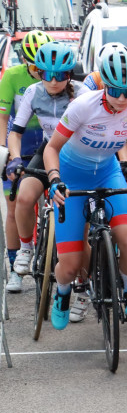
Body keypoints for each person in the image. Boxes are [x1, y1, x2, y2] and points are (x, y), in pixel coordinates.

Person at [43, 47, 127, 330]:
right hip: (72, 177)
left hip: (107, 173)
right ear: (105, 84)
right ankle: (63, 293)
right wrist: (55, 179)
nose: (123, 98)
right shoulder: (82, 105)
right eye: (116, 90)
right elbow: (52, 148)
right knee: (69, 266)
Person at [5, 42, 85, 313]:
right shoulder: (32, 92)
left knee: (85, 219)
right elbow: (15, 131)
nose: (53, 81)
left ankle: (86, 284)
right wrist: (15, 158)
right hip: (49, 149)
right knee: (24, 197)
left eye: (60, 75)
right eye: (46, 74)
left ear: (69, 75)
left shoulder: (83, 93)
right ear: (38, 73)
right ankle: (26, 248)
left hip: (79, 155)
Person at [1, 30, 51, 292]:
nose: (37, 72)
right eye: (32, 66)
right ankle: (16, 270)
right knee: (14, 207)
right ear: (24, 61)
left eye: (40, 66)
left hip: (44, 146)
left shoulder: (53, 79)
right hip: (17, 143)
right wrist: (6, 152)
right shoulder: (11, 76)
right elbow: (2, 119)